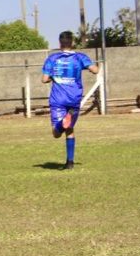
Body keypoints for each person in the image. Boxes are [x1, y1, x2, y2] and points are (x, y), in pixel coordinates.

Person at [41, 30, 99, 170]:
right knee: (70, 129)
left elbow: (44, 79)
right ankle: (70, 163)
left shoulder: (52, 58)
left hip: (58, 99)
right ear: (72, 43)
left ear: (60, 43)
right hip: (74, 98)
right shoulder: (80, 57)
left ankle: (61, 123)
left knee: (56, 133)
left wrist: (53, 77)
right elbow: (95, 70)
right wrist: (91, 67)